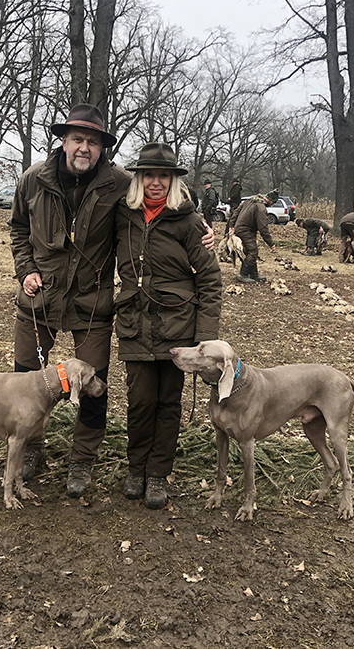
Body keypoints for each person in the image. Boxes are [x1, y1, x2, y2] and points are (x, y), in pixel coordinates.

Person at [9, 103, 131, 498]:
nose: (84, 148)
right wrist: (25, 268)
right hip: (39, 297)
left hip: (92, 301)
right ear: (63, 141)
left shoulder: (120, 183)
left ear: (101, 147)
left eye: (92, 142)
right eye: (77, 139)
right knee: (25, 377)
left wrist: (200, 231)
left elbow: (160, 210)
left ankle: (82, 460)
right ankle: (31, 448)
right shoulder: (33, 180)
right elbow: (18, 229)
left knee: (95, 384)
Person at [115, 143, 222, 509]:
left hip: (179, 328)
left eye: (164, 176)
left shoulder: (189, 222)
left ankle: (158, 474)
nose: (156, 183)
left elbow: (209, 280)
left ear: (174, 181)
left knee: (168, 403)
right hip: (134, 325)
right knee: (139, 401)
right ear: (139, 179)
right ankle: (136, 468)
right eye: (149, 175)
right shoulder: (122, 215)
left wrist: (205, 339)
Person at [228, 194, 276, 283]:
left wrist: (232, 224)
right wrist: (271, 243)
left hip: (240, 228)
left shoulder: (250, 200)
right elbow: (263, 228)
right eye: (273, 202)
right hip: (246, 230)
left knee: (249, 250)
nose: (272, 205)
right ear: (271, 201)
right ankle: (243, 274)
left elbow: (236, 211)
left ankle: (254, 274)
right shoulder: (261, 208)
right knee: (253, 251)